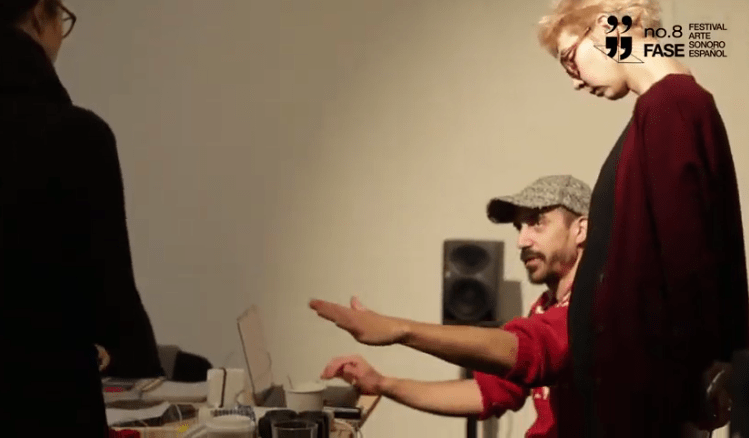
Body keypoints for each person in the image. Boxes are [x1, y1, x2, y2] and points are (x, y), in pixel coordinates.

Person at [536, 0, 748, 436]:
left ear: (606, 26)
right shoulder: (664, 108)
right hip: (641, 397)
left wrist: (698, 377)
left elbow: (688, 257)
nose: (574, 80)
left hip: (650, 404)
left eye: (569, 59)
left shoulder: (671, 105)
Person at [0, 0, 163, 435]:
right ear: (39, 13)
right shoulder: (76, 137)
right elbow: (112, 307)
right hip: (44, 407)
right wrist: (132, 354)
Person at [312, 175, 590, 437]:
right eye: (519, 227)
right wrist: (382, 383)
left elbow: (532, 348)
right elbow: (488, 393)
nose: (521, 241)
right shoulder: (545, 307)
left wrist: (400, 330)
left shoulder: (595, 306)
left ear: (581, 230)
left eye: (537, 223)